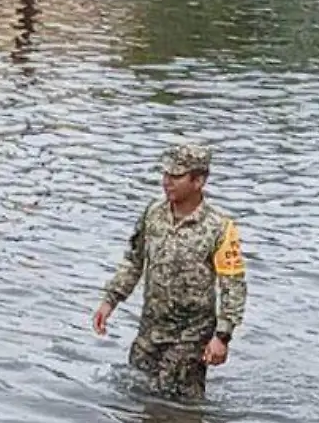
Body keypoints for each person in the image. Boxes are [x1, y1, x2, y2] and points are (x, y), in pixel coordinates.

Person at [94, 143, 248, 401]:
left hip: (191, 335)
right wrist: (110, 301)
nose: (167, 182)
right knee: (138, 396)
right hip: (151, 329)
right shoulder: (153, 214)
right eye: (165, 175)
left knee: (179, 401)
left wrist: (222, 336)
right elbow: (134, 261)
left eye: (176, 176)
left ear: (198, 181)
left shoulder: (219, 227)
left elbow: (232, 284)